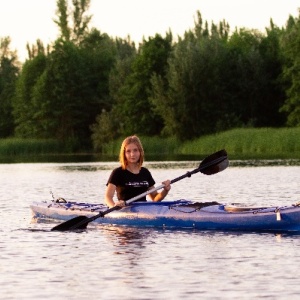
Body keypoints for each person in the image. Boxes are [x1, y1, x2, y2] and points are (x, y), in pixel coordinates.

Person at [105, 135, 171, 208]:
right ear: (124, 154)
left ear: (140, 152)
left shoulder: (145, 172)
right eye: (128, 151)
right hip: (125, 212)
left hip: (143, 212)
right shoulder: (118, 172)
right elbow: (108, 198)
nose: (132, 154)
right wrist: (114, 206)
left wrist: (165, 190)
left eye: (135, 150)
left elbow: (155, 198)